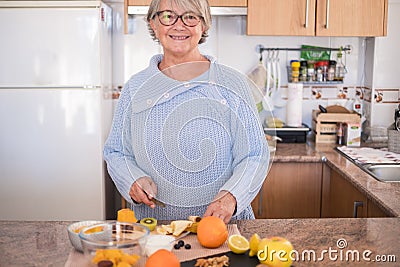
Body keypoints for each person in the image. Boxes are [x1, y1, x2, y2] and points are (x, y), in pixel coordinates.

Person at [103, 0, 269, 224]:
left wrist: (231, 196)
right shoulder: (136, 87)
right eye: (168, 16)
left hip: (224, 228)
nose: (179, 26)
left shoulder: (233, 84)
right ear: (153, 23)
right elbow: (116, 152)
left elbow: (255, 155)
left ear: (203, 25)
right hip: (155, 230)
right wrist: (132, 179)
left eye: (190, 17)